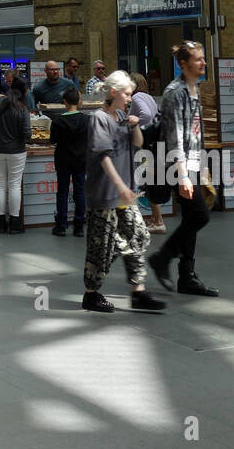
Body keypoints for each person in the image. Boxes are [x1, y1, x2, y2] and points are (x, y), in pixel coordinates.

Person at [81, 70, 166, 315]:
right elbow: (103, 156)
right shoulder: (98, 119)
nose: (130, 98)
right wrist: (120, 186)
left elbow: (138, 143)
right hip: (105, 194)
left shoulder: (122, 116)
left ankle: (138, 291)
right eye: (127, 94)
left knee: (139, 235)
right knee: (100, 246)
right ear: (114, 92)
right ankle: (91, 294)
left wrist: (135, 125)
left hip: (124, 194)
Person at [149, 42, 219, 296]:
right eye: (198, 59)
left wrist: (202, 165)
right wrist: (182, 176)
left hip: (192, 163)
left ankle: (186, 276)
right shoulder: (175, 92)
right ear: (183, 64)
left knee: (192, 217)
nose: (203, 63)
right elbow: (175, 136)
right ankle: (162, 258)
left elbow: (195, 133)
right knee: (200, 216)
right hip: (177, 165)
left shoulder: (194, 89)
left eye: (203, 58)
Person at [0, 77, 31, 233]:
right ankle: (15, 223)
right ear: (24, 92)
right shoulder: (22, 108)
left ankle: (1, 223)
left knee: (0, 184)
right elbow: (27, 134)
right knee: (14, 185)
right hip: (16, 151)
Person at [50, 85, 88, 237]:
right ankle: (79, 226)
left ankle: (61, 225)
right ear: (79, 101)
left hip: (63, 160)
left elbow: (52, 140)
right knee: (80, 192)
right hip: (81, 160)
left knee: (62, 192)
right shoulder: (87, 120)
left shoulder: (58, 121)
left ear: (64, 101)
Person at [130, 72, 165, 234]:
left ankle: (158, 222)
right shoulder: (149, 97)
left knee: (148, 182)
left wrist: (136, 126)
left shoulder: (137, 97)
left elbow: (146, 115)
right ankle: (156, 219)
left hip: (144, 145)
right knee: (151, 181)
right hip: (152, 145)